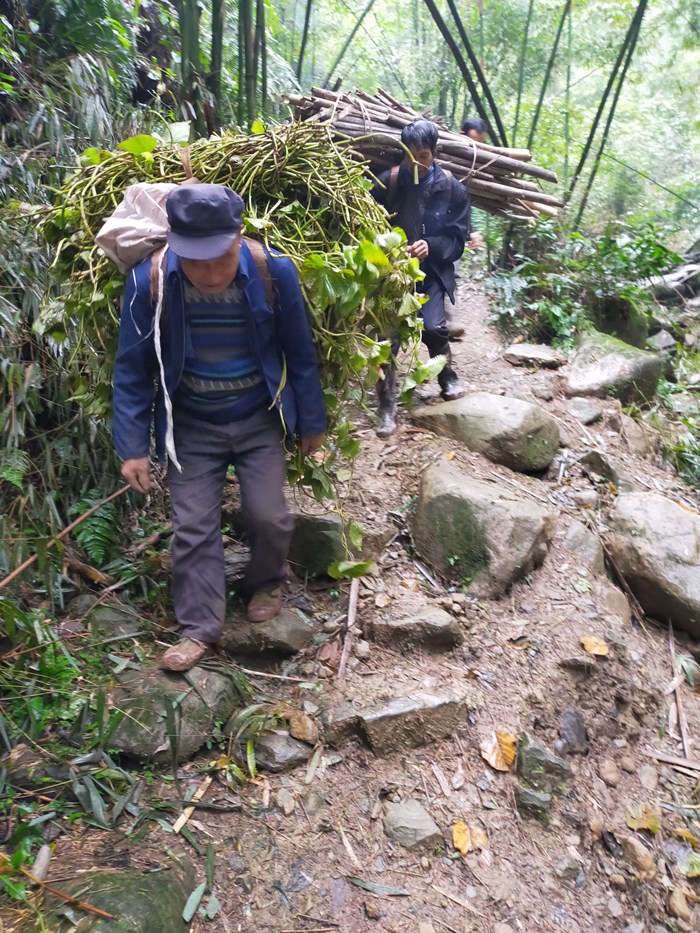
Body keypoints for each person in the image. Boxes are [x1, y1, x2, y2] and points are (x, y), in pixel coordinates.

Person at [113, 184, 327, 672]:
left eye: (221, 259)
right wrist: (132, 446)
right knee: (192, 527)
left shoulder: (275, 271)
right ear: (175, 246)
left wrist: (311, 422)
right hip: (191, 425)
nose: (210, 274)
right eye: (196, 262)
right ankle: (199, 626)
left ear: (240, 236)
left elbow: (300, 351)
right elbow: (131, 369)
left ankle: (266, 582)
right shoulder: (149, 280)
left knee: (269, 515)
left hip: (259, 417)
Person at [371, 119, 470, 436]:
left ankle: (447, 375)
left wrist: (432, 246)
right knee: (387, 339)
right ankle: (386, 405)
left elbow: (457, 241)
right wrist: (387, 247)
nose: (416, 164)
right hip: (392, 274)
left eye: (423, 156)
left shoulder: (451, 189)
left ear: (435, 152)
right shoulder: (387, 183)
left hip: (431, 274)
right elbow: (366, 227)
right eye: (410, 156)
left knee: (433, 327)